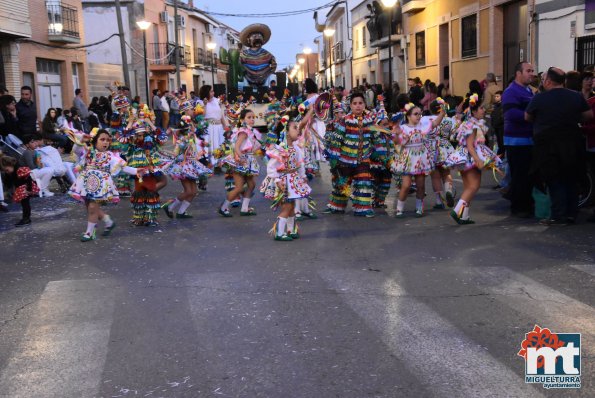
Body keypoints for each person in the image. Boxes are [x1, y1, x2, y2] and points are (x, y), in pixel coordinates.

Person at [525, 67, 593, 225]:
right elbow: (589, 115)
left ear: (548, 81)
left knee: (554, 180)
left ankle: (558, 215)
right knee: (571, 178)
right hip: (572, 143)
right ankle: (571, 214)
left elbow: (527, 116)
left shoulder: (540, 98)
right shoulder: (576, 96)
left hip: (548, 145)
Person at [324, 92, 391, 217]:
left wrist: (381, 154)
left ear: (365, 104)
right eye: (355, 103)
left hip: (363, 159)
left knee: (364, 182)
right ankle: (337, 206)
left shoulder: (369, 121)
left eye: (360, 103)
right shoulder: (345, 121)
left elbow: (376, 138)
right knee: (342, 184)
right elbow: (337, 140)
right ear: (350, 105)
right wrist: (334, 158)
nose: (358, 106)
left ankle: (363, 208)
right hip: (345, 161)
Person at [69, 129, 142, 241]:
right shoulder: (88, 152)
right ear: (95, 141)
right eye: (102, 139)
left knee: (93, 207)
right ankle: (108, 222)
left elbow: (123, 167)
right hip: (86, 182)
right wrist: (81, 140)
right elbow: (76, 150)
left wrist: (136, 170)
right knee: (90, 206)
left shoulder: (110, 156)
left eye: (108, 140)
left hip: (100, 185)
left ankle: (89, 233)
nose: (106, 142)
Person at [445, 94, 502, 224]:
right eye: (481, 108)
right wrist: (478, 160)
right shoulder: (473, 126)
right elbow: (470, 146)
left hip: (463, 157)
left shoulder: (467, 123)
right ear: (474, 111)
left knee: (468, 187)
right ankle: (457, 210)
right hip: (470, 157)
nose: (483, 110)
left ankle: (464, 216)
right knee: (474, 186)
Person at [260, 117, 311, 241]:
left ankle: (291, 229)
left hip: (293, 180)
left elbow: (300, 164)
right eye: (295, 127)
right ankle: (279, 232)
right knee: (287, 207)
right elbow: (271, 168)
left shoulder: (296, 148)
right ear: (286, 131)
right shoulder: (279, 149)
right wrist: (277, 181)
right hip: (283, 181)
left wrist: (303, 176)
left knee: (292, 206)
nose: (298, 130)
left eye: (298, 127)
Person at [392, 102, 445, 218]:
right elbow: (396, 142)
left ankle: (419, 208)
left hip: (421, 158)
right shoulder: (403, 128)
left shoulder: (423, 125)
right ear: (408, 116)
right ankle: (399, 209)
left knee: (421, 185)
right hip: (408, 158)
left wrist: (443, 112)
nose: (418, 116)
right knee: (406, 185)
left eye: (420, 114)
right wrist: (396, 134)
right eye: (416, 114)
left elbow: (435, 123)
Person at [502, 62, 535, 218]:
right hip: (516, 141)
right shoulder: (511, 92)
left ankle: (526, 205)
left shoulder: (528, 90)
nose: (532, 74)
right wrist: (529, 116)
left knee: (527, 176)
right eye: (528, 71)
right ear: (518, 73)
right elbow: (510, 114)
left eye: (532, 71)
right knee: (519, 176)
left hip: (529, 140)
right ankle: (518, 208)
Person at [162, 116, 212, 219]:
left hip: (192, 165)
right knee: (188, 191)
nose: (190, 130)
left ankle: (181, 212)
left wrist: (202, 144)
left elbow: (197, 144)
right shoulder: (182, 140)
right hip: (183, 167)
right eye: (188, 128)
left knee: (193, 191)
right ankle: (169, 206)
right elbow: (176, 153)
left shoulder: (192, 138)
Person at [219, 108, 262, 217]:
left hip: (247, 160)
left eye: (253, 117)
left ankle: (244, 208)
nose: (252, 120)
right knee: (239, 187)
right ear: (243, 119)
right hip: (241, 161)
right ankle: (223, 207)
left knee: (251, 184)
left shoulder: (250, 131)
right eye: (249, 117)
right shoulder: (244, 131)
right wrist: (241, 158)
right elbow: (236, 146)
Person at [0, 153, 39, 226]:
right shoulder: (11, 171)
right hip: (20, 187)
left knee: (25, 203)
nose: (6, 172)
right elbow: (8, 180)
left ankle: (26, 218)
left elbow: (28, 178)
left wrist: (29, 189)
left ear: (10, 165)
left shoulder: (20, 169)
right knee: (24, 203)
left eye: (7, 170)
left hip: (26, 188)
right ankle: (26, 218)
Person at [200, 85, 230, 164]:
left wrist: (225, 125)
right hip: (209, 127)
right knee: (210, 145)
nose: (213, 92)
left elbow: (221, 114)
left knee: (220, 144)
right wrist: (205, 104)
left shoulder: (217, 101)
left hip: (219, 127)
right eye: (211, 91)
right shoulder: (200, 102)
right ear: (206, 92)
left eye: (213, 91)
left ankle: (219, 163)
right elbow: (202, 116)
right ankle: (210, 163)